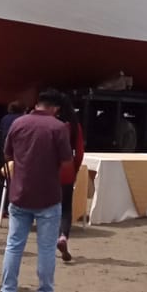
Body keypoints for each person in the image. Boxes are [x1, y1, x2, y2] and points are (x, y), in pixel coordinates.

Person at [0, 89, 72, 292]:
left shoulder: (19, 123)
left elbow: (7, 154)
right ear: (55, 108)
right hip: (48, 195)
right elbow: (67, 162)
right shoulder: (58, 128)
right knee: (46, 249)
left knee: (14, 246)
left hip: (20, 193)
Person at [56, 97, 85, 264]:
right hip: (67, 170)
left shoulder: (51, 124)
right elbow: (79, 153)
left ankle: (49, 240)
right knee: (66, 208)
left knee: (49, 208)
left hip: (48, 171)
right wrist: (75, 169)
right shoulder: (74, 126)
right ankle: (63, 236)